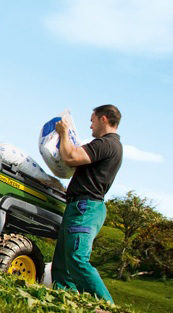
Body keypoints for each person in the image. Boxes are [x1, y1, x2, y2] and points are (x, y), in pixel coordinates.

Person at [51, 104, 122, 303]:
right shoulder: (109, 145)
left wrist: (64, 132)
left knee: (76, 258)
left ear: (104, 119)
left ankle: (107, 306)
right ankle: (66, 303)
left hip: (86, 207)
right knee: (62, 265)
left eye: (92, 121)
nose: (90, 126)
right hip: (80, 206)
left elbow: (71, 156)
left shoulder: (106, 144)